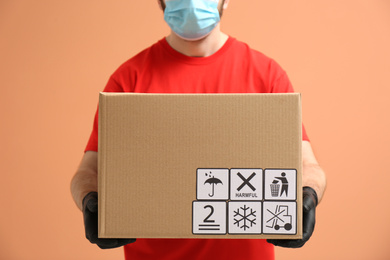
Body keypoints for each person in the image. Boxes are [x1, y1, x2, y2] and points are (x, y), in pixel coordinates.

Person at [71, 0, 327, 259]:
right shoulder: (129, 79)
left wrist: (308, 195)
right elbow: (88, 169)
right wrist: (90, 201)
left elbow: (309, 166)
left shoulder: (266, 75)